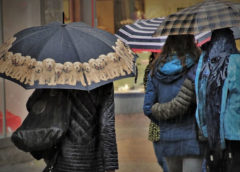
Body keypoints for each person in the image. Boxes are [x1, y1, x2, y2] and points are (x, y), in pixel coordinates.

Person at [143, 34, 203, 172]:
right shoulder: (197, 65)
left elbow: (147, 108)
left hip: (168, 139)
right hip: (192, 138)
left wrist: (164, 121)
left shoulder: (155, 69)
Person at [28, 83, 118, 172]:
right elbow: (107, 125)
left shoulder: (55, 76)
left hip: (59, 158)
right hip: (92, 162)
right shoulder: (102, 78)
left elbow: (31, 104)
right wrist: (110, 166)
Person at [195, 28, 240, 172]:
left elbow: (200, 99)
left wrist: (203, 128)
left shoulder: (206, 64)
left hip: (211, 133)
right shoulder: (237, 61)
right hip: (235, 132)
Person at [143, 52, 169, 172]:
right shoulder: (150, 70)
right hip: (157, 123)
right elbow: (148, 102)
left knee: (167, 163)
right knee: (162, 161)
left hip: (166, 122)